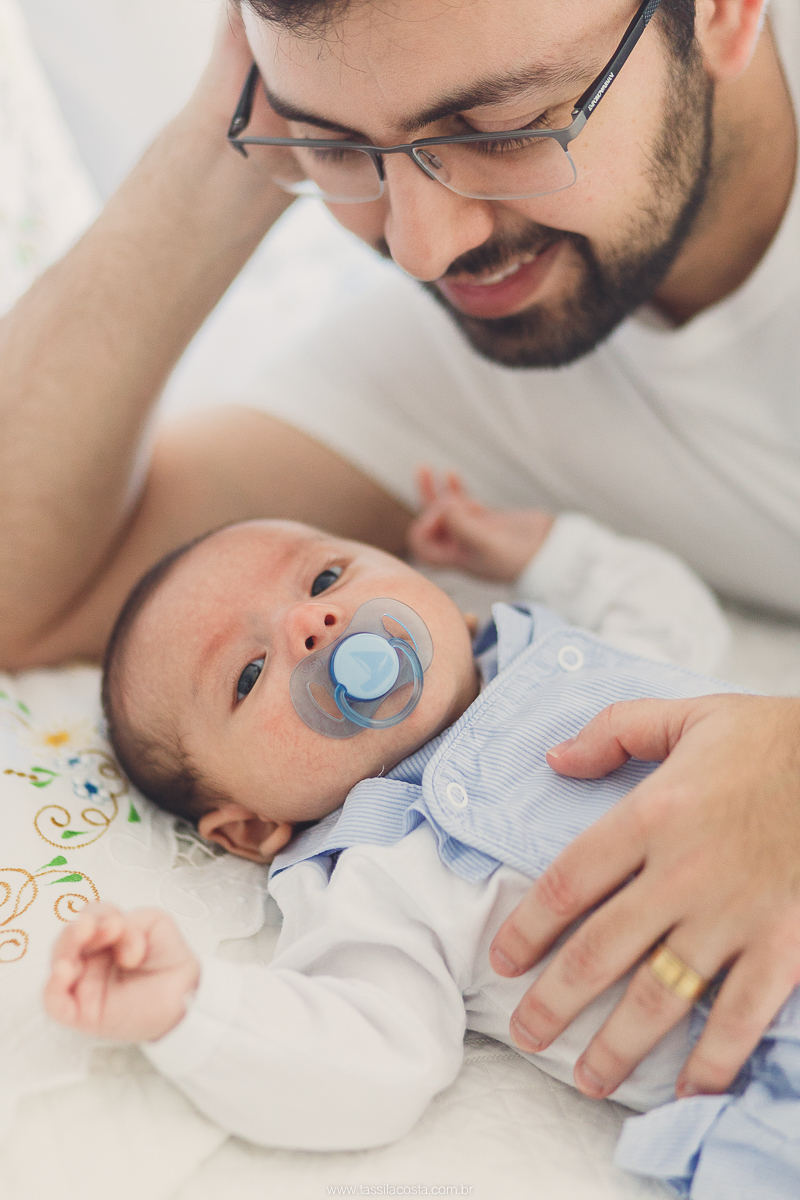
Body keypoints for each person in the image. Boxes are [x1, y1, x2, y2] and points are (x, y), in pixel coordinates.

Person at [2, 0, 800, 1111]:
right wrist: (229, 146)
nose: (420, 244)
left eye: (505, 126)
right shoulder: (468, 346)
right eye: (338, 149)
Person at [42, 505, 798, 1196]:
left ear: (452, 607)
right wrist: (190, 1005)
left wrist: (547, 549)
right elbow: (370, 1056)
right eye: (247, 674)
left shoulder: (560, 647)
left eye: (327, 575)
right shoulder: (379, 869)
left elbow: (676, 619)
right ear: (250, 829)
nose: (311, 621)